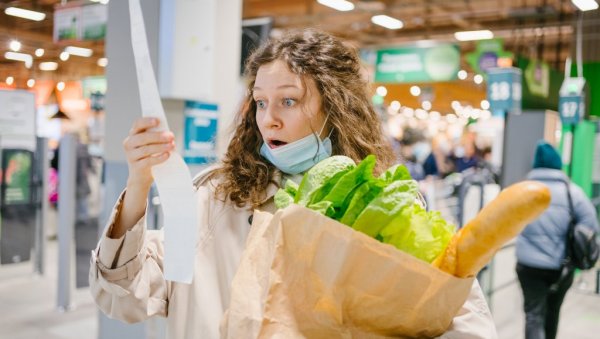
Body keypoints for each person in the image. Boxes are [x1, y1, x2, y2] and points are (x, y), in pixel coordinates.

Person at [89, 29, 497, 338]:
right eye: (261, 102)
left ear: (336, 109)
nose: (269, 119)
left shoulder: (385, 205)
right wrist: (139, 184)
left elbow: (465, 322)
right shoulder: (217, 198)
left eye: (288, 100)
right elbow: (124, 295)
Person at [515, 141, 599, 339]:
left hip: (528, 266)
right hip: (560, 267)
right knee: (553, 313)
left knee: (533, 315)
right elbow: (591, 226)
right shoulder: (573, 193)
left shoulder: (521, 191)